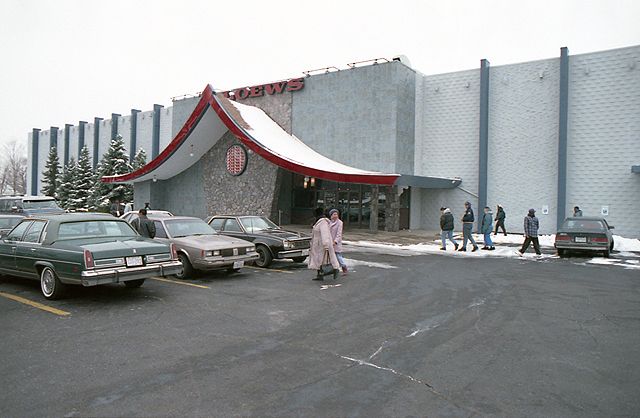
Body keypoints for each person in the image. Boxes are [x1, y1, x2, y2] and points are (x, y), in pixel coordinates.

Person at [308, 208, 339, 280]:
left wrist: (326, 244)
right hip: (318, 245)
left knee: (323, 260)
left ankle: (335, 269)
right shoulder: (319, 221)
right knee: (319, 260)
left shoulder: (323, 222)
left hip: (322, 245)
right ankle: (320, 275)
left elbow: (325, 233)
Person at [328, 208, 348, 274]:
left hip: (336, 243)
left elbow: (339, 234)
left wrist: (335, 241)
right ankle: (333, 269)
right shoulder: (329, 222)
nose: (335, 215)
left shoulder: (340, 223)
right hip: (329, 241)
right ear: (331, 215)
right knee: (330, 256)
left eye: (336, 214)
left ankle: (344, 267)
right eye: (334, 214)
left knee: (338, 256)